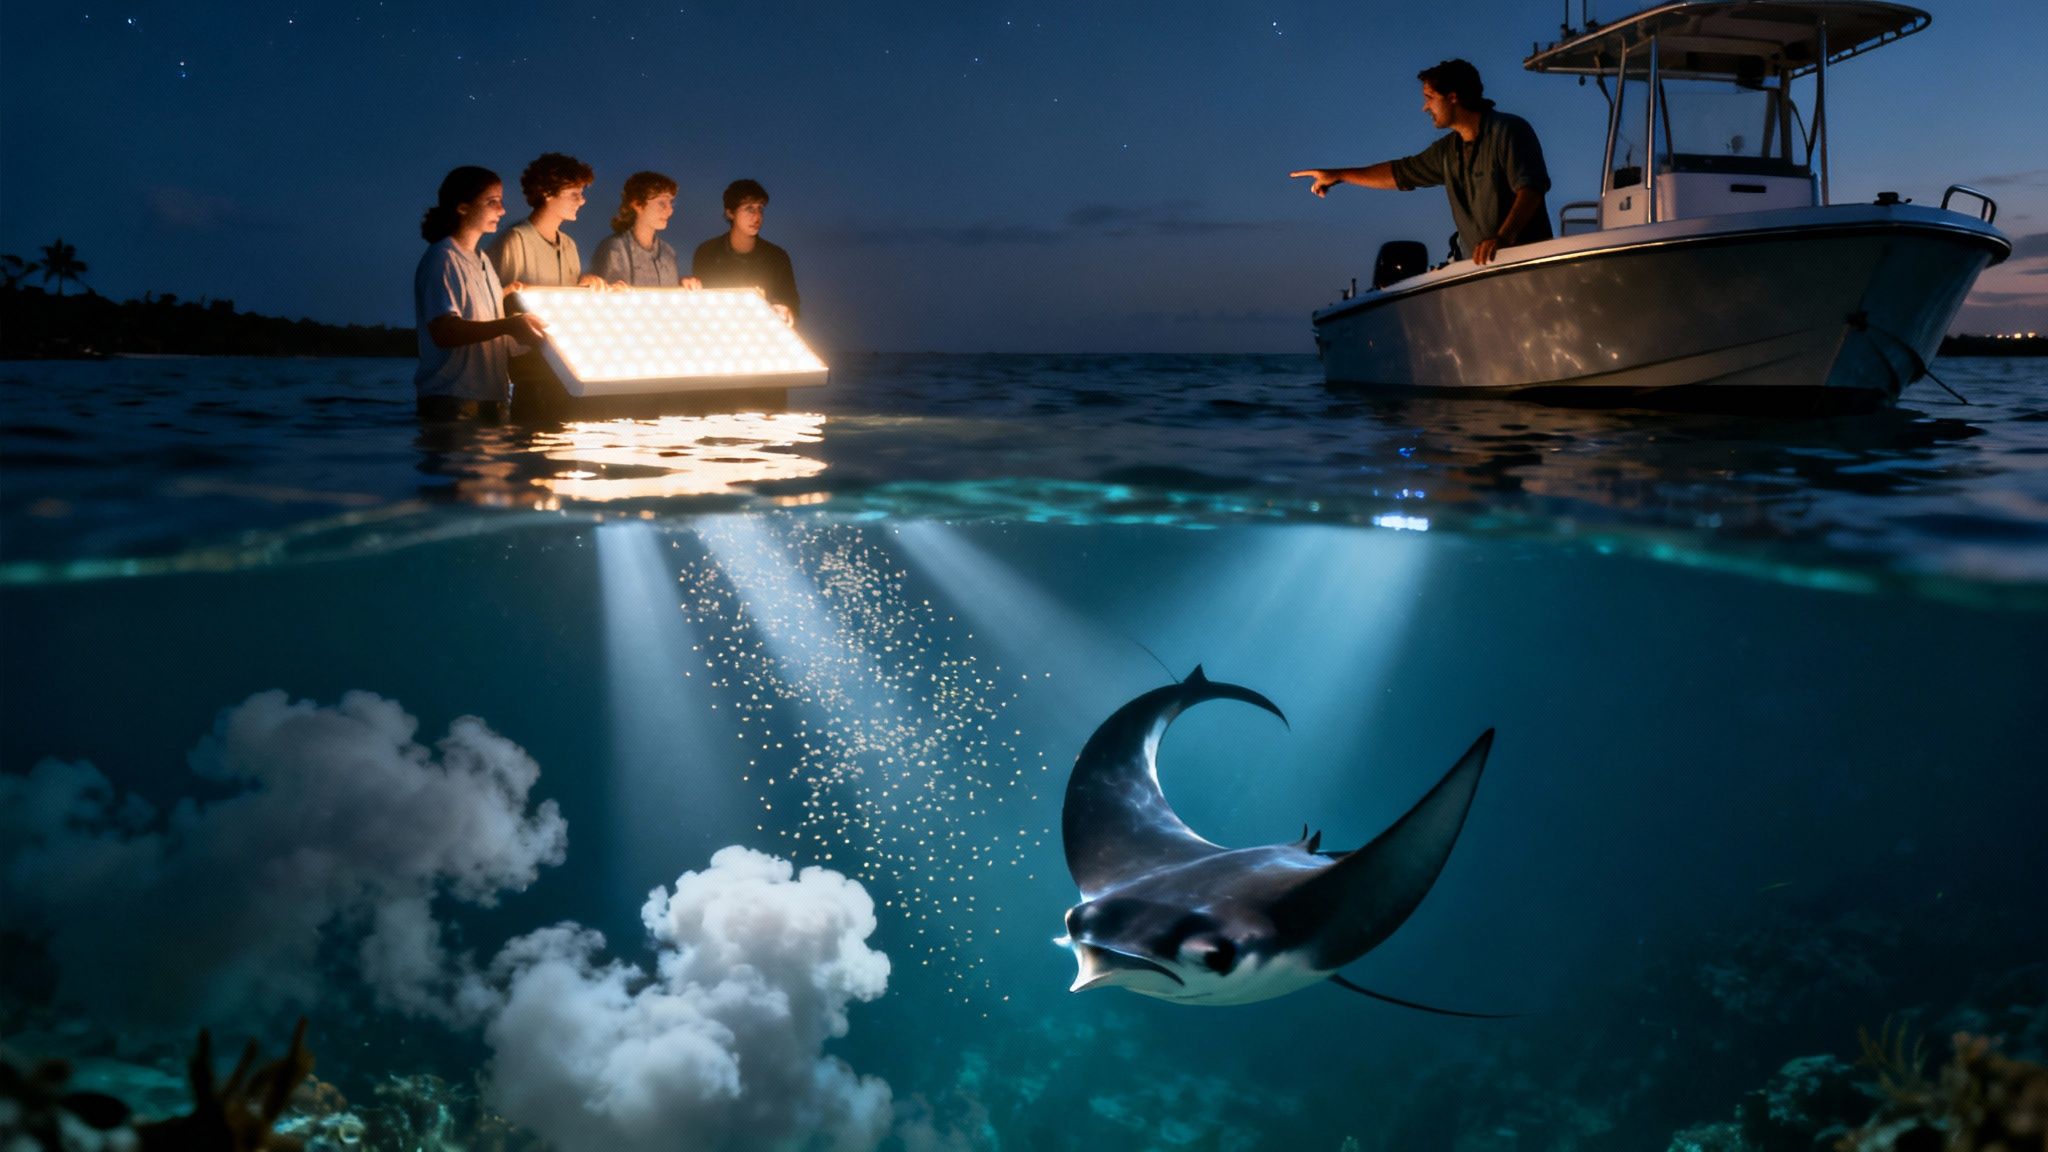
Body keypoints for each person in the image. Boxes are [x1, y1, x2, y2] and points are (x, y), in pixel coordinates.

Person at [1291, 59, 1551, 266]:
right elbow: (1400, 173)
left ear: (1452, 97)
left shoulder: (1509, 130)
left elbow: (1530, 190)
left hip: (1526, 267)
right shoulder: (1448, 151)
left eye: (1429, 98)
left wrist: (1503, 239)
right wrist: (1339, 175)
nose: (1424, 108)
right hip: (1481, 272)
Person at [413, 166, 547, 420]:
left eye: (501, 202)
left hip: (492, 399)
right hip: (453, 403)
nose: (502, 210)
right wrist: (510, 325)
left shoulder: (482, 260)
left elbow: (486, 324)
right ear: (462, 207)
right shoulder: (443, 259)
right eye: (492, 202)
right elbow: (444, 331)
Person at [488, 152, 607, 291]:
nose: (582, 201)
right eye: (574, 194)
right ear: (547, 193)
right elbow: (498, 302)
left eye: (581, 194)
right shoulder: (515, 241)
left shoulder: (569, 246)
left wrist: (586, 284)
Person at [691, 178, 800, 324]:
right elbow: (699, 304)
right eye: (749, 209)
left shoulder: (777, 258)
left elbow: (791, 304)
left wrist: (787, 312)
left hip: (761, 337)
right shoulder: (707, 253)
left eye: (760, 209)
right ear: (730, 213)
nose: (757, 216)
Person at [589, 171, 702, 288]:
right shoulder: (615, 249)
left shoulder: (668, 252)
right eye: (662, 203)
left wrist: (683, 285)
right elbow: (609, 297)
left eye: (671, 203)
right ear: (637, 204)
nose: (670, 210)